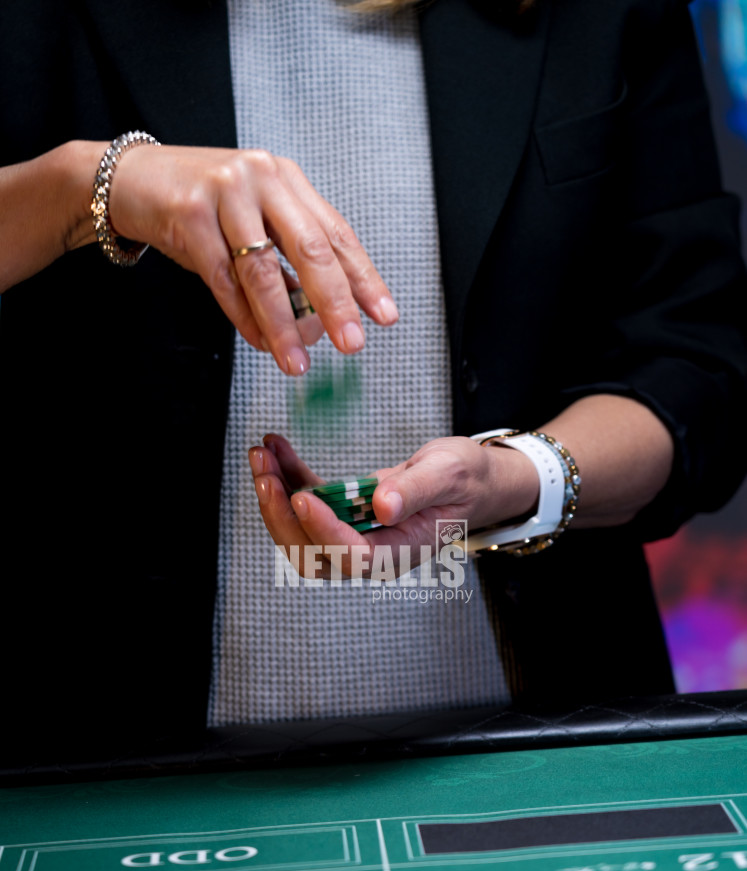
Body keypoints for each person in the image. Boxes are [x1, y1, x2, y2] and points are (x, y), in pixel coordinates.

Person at [1, 0, 745, 754]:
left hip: (543, 748)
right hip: (106, 755)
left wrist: (509, 484)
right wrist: (82, 188)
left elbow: (698, 367)